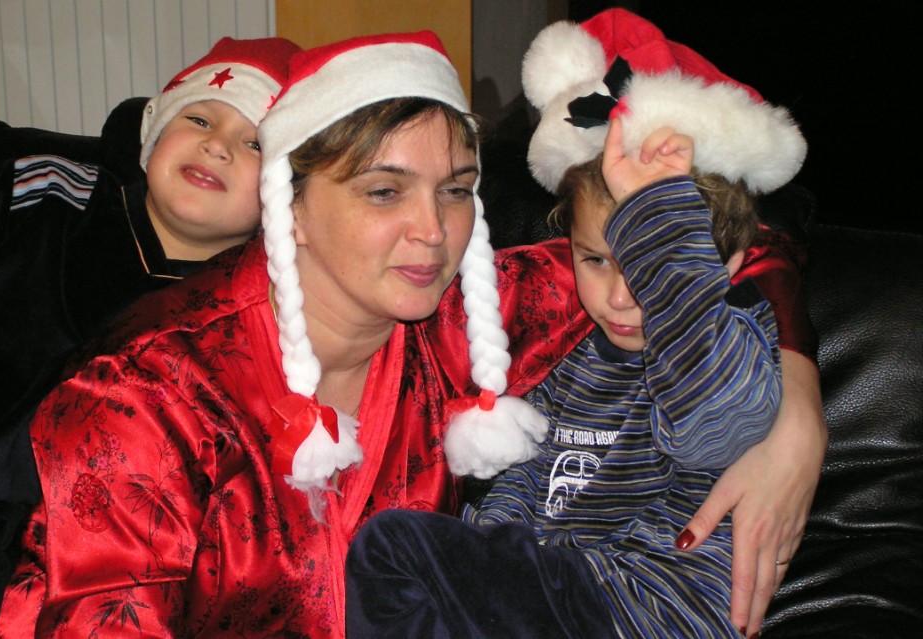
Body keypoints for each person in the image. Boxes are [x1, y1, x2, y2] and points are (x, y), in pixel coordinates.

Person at [0, 27, 821, 639]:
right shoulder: (143, 396)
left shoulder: (469, 316)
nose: (434, 231)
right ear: (291, 206)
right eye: (384, 191)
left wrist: (795, 409)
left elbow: (732, 242)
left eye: (455, 189)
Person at [344, 9, 815, 639]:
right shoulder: (568, 344)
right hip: (558, 587)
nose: (621, 297)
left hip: (649, 602)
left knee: (391, 548)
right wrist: (487, 541)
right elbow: (525, 473)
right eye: (596, 261)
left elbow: (711, 430)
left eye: (646, 269)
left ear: (727, 264)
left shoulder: (734, 342)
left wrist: (662, 232)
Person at [0, 36, 300, 639]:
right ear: (152, 134)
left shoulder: (262, 316)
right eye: (199, 119)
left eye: (255, 144)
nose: (216, 146)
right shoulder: (38, 193)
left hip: (80, 564)